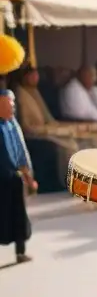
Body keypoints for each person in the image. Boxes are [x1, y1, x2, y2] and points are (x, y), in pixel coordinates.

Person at [0, 90, 33, 265]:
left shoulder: (13, 124)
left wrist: (28, 174)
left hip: (14, 176)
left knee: (19, 215)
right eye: (7, 105)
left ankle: (20, 252)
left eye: (12, 105)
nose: (11, 108)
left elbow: (21, 151)